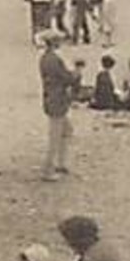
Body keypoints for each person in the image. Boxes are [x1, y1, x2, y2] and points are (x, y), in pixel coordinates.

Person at [38, 31, 79, 180]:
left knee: (66, 131)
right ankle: (48, 169)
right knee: (56, 136)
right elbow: (66, 78)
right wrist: (76, 73)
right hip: (58, 99)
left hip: (51, 98)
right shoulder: (54, 60)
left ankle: (61, 163)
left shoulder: (45, 59)